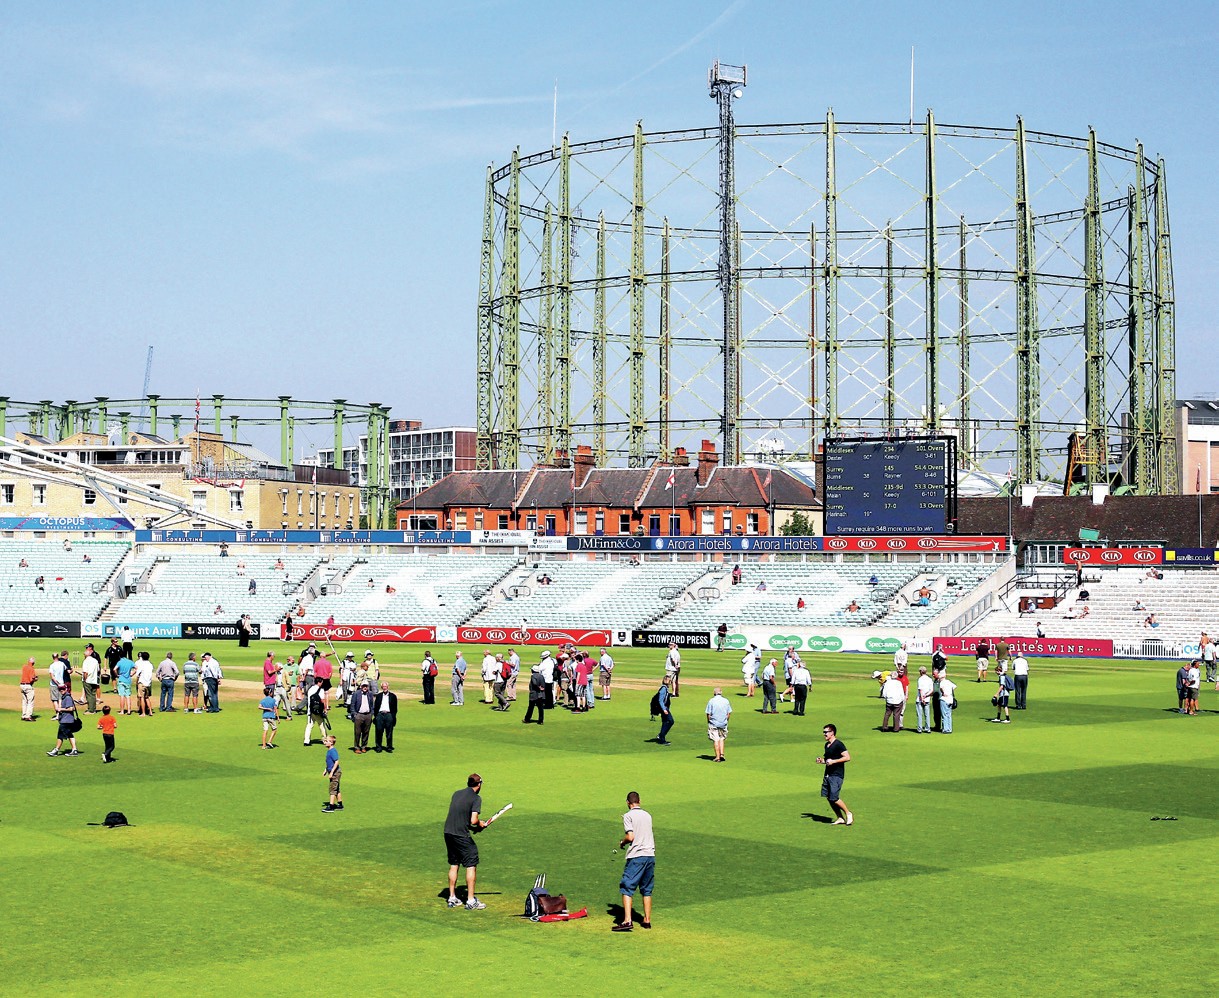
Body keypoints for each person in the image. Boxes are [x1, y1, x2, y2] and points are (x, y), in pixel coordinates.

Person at [444, 774, 489, 910]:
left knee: (454, 864)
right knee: (471, 864)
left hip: (448, 832)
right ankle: (470, 900)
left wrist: (474, 828)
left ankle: (452, 897)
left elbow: (460, 816)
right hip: (461, 835)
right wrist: (480, 824)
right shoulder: (476, 798)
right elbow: (473, 820)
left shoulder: (456, 794)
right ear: (479, 784)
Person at [613, 791, 655, 931]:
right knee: (646, 888)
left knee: (627, 886)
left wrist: (622, 842)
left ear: (627, 802)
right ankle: (647, 920)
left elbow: (630, 836)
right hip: (650, 855)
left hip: (637, 856)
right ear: (639, 801)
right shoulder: (647, 815)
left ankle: (627, 921)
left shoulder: (628, 816)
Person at [816, 724, 852, 825]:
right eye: (823, 732)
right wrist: (822, 761)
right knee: (828, 797)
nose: (824, 734)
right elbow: (828, 760)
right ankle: (840, 817)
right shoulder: (827, 745)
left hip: (836, 775)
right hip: (828, 774)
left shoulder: (838, 744)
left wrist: (834, 761)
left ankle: (848, 813)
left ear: (832, 733)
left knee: (834, 797)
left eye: (826, 732)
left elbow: (847, 757)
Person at [47, 685, 81, 756]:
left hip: (66, 721)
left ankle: (56, 750)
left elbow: (71, 708)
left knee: (60, 736)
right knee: (69, 734)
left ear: (66, 689)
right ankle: (74, 750)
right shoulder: (65, 697)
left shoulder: (67, 698)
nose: (61, 690)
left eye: (62, 689)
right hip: (67, 720)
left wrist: (61, 709)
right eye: (60, 689)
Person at [705, 688, 732, 762]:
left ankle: (717, 757)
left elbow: (708, 713)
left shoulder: (711, 701)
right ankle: (722, 754)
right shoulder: (726, 701)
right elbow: (729, 713)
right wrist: (726, 720)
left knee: (716, 739)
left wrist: (709, 721)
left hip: (714, 723)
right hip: (723, 723)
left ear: (714, 693)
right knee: (722, 738)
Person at [349, 681, 375, 753]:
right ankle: (357, 747)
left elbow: (372, 705)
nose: (365, 687)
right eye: (364, 686)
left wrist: (371, 714)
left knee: (366, 732)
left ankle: (364, 746)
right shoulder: (356, 694)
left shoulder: (370, 694)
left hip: (368, 715)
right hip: (359, 715)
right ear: (361, 686)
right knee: (357, 732)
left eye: (366, 686)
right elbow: (352, 705)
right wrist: (355, 714)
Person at [304, 677, 331, 745]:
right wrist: (325, 709)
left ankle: (306, 740)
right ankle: (325, 740)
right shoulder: (320, 690)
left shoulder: (310, 689)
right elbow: (322, 700)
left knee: (309, 726)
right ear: (319, 682)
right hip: (318, 711)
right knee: (321, 725)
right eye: (321, 682)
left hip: (310, 710)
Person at [321, 735, 343, 812]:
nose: (324, 742)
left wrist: (332, 772)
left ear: (331, 743)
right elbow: (329, 763)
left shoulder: (333, 751)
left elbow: (336, 762)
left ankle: (331, 806)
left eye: (326, 741)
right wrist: (326, 770)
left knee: (332, 789)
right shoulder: (329, 751)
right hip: (333, 772)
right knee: (336, 789)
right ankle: (340, 805)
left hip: (335, 773)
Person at [374, 681, 398, 752]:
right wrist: (376, 716)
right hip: (380, 715)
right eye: (383, 687)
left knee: (389, 732)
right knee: (379, 731)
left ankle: (389, 747)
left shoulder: (393, 696)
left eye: (386, 686)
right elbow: (375, 707)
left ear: (388, 687)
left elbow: (395, 708)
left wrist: (393, 716)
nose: (384, 688)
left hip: (389, 715)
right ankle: (378, 747)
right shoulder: (378, 696)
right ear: (381, 687)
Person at [133, 652, 155, 716]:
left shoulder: (141, 664)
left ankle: (143, 713)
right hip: (148, 683)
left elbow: (137, 674)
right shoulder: (150, 664)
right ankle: (150, 711)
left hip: (142, 682)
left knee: (142, 697)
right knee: (147, 697)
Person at [655, 677, 674, 745]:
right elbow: (660, 700)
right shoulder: (663, 689)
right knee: (670, 721)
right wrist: (664, 709)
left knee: (665, 722)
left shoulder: (665, 688)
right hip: (664, 708)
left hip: (664, 708)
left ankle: (661, 738)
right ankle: (661, 736)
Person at [914, 666, 933, 733]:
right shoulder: (929, 679)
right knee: (927, 714)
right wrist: (926, 695)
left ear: (920, 672)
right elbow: (931, 690)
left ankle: (920, 728)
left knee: (920, 714)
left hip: (920, 699)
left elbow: (921, 689)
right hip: (927, 699)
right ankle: (928, 728)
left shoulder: (920, 679)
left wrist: (922, 698)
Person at [939, 669, 958, 734]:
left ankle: (945, 729)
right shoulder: (949, 681)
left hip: (944, 699)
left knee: (944, 715)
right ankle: (949, 729)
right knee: (949, 715)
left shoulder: (942, 682)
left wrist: (943, 692)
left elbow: (941, 688)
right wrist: (950, 692)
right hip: (950, 699)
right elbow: (954, 687)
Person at [20, 656, 38, 721]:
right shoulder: (32, 669)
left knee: (24, 701)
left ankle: (24, 715)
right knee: (30, 701)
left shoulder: (24, 667)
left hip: (22, 685)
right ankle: (28, 716)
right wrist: (35, 679)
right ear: (33, 663)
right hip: (28, 686)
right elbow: (31, 679)